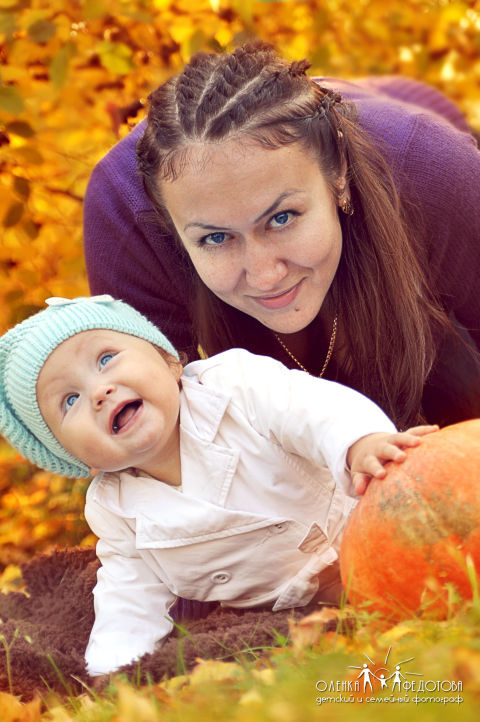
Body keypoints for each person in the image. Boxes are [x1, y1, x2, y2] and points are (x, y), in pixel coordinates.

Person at [0, 295, 436, 676]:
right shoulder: (115, 509)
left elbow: (310, 411)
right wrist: (111, 673)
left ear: (169, 361)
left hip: (367, 542)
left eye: (106, 359)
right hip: (286, 613)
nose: (99, 391)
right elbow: (128, 598)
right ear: (76, 459)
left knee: (421, 577)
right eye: (69, 400)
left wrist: (358, 443)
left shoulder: (233, 387)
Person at [83, 42, 480, 432]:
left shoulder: (431, 168)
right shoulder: (125, 219)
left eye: (282, 218)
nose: (265, 276)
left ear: (340, 177)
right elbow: (158, 446)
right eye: (217, 238)